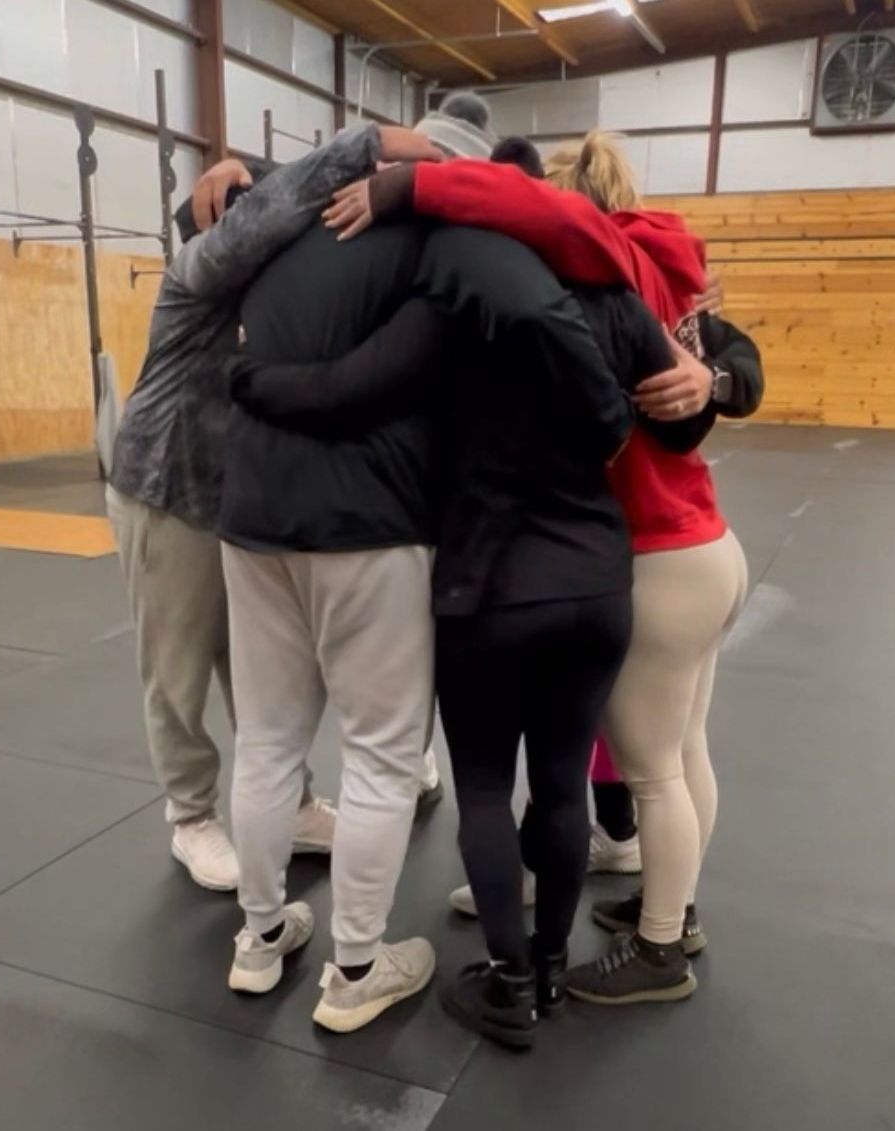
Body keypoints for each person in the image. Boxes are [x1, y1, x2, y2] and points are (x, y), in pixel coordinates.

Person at [217, 117, 649, 1037]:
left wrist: (249, 381)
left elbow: (210, 239)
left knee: (266, 738)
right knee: (381, 752)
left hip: (250, 515)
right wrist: (612, 416)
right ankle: (356, 970)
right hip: (367, 521)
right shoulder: (446, 242)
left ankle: (260, 941)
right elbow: (382, 375)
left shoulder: (286, 223)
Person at [324, 130, 764, 1004]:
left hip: (657, 554)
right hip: (706, 545)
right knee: (680, 753)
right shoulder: (666, 277)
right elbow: (741, 365)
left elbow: (514, 201)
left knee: (653, 772)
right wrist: (714, 382)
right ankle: (670, 908)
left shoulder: (602, 273)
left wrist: (402, 183)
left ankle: (660, 947)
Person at [106, 123, 441, 894]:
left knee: (253, 677)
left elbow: (277, 204)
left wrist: (244, 165)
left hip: (237, 502)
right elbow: (275, 209)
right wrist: (369, 146)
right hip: (165, 494)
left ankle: (286, 805)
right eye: (240, 202)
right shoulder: (197, 269)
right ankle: (189, 815)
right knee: (177, 667)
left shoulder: (264, 276)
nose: (258, 210)